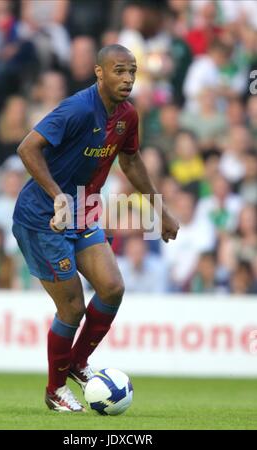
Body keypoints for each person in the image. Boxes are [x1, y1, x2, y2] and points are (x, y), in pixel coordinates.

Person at [12, 44, 179, 412]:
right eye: (120, 70)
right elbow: (28, 148)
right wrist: (56, 195)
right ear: (99, 73)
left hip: (83, 209)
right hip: (42, 215)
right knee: (72, 307)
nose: (128, 78)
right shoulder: (76, 109)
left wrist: (159, 211)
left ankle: (75, 363)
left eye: (133, 71)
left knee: (112, 287)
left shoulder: (127, 116)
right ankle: (55, 389)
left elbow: (131, 162)